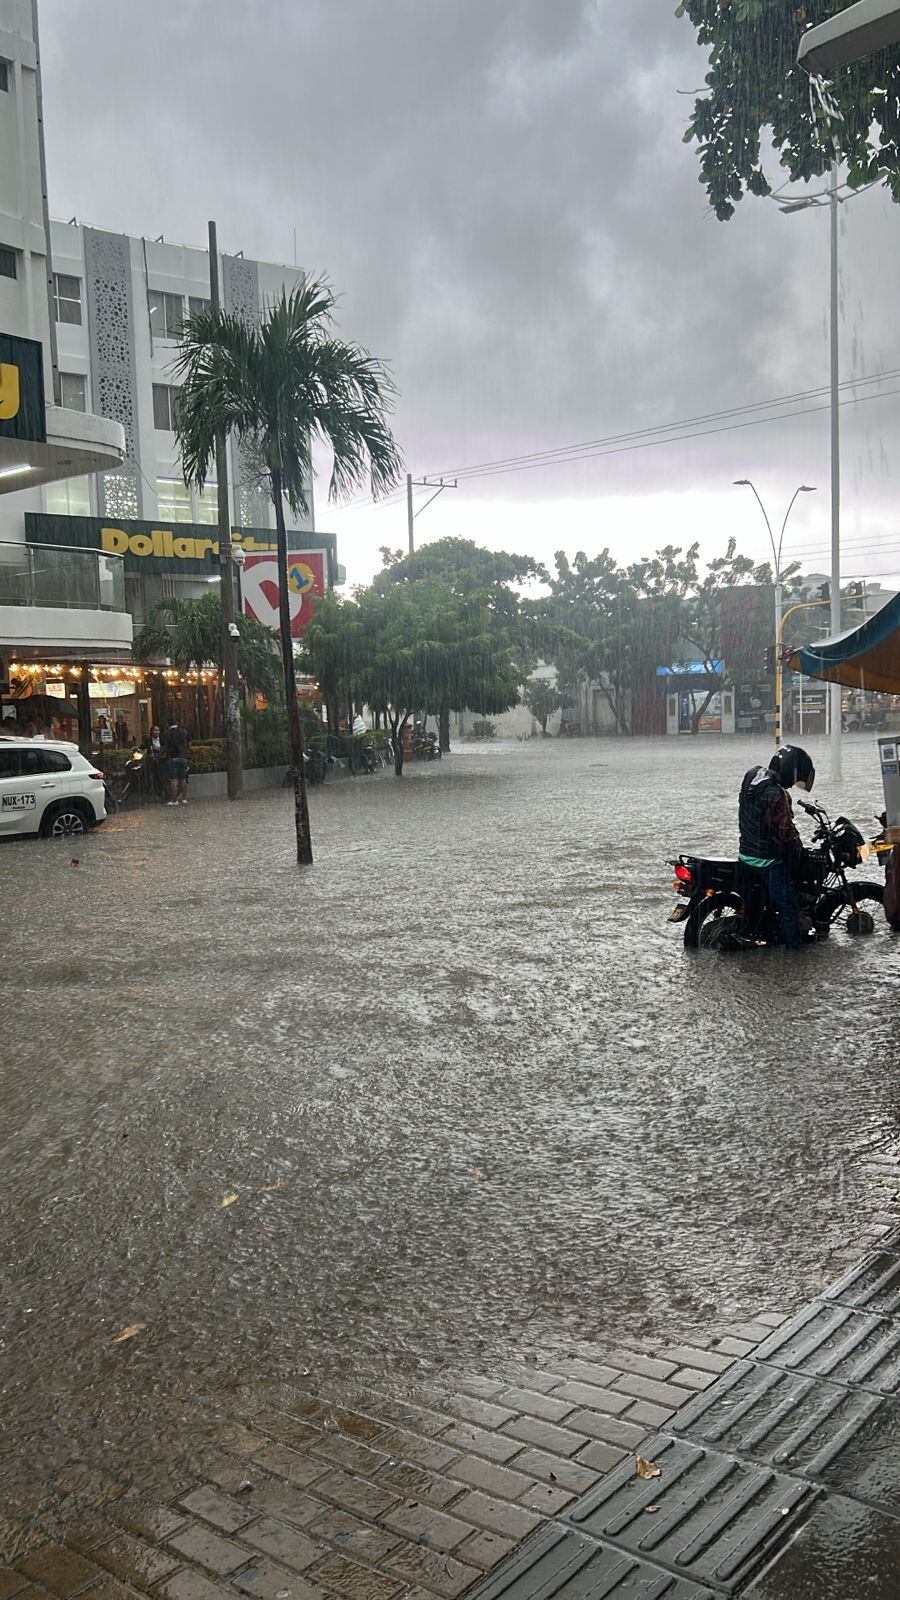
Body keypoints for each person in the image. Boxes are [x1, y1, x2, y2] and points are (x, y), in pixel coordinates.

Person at [738, 745, 816, 951]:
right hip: (768, 861)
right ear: (792, 772)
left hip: (746, 854)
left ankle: (759, 931)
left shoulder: (752, 775)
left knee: (757, 901)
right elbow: (785, 834)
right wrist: (799, 850)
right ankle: (796, 955)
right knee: (788, 909)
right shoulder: (777, 795)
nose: (793, 785)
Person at [165, 719, 189, 806]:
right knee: (183, 778)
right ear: (177, 723)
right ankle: (184, 799)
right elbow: (188, 743)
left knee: (173, 779)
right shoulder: (183, 732)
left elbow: (165, 747)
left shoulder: (167, 733)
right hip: (183, 758)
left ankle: (174, 800)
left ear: (168, 724)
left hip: (172, 757)